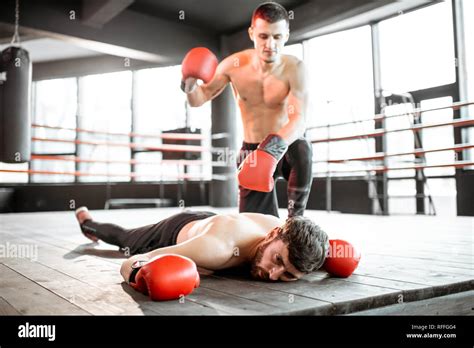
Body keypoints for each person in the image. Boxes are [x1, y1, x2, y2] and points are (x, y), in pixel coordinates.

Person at [181, 2, 313, 218]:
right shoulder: (234, 65)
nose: (270, 44)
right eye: (263, 36)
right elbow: (199, 99)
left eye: (277, 37)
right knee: (256, 229)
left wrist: (271, 148)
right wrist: (189, 85)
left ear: (286, 36)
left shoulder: (295, 68)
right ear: (252, 33)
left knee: (303, 149)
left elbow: (298, 119)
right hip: (252, 150)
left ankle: (295, 221)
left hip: (284, 147)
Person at [75, 207, 329, 284]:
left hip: (211, 219)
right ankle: (88, 223)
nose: (273, 275)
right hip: (176, 231)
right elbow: (132, 261)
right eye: (277, 261)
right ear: (273, 235)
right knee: (125, 239)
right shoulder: (217, 249)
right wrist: (140, 274)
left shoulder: (291, 238)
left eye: (288, 275)